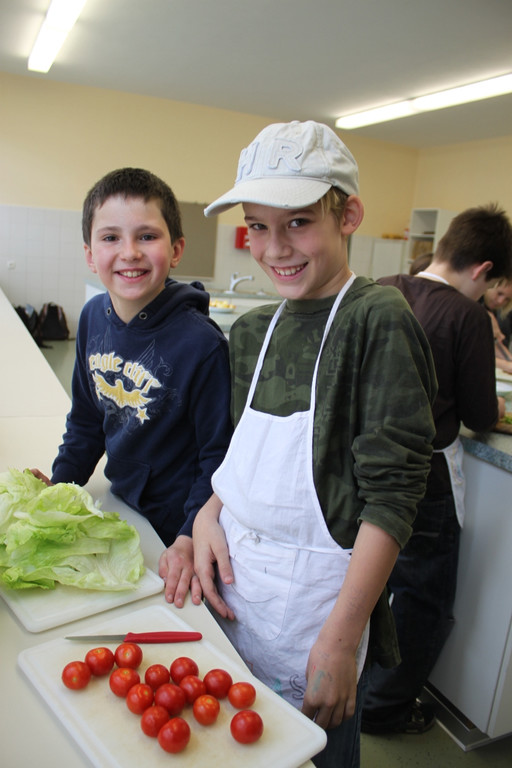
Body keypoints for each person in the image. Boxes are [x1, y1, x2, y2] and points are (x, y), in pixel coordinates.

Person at [191, 120, 437, 768]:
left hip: (315, 620)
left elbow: (393, 495)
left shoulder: (376, 319)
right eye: (257, 226)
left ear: (348, 215)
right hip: (234, 598)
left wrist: (341, 639)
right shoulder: (253, 332)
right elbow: (242, 459)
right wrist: (207, 515)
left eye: (298, 222)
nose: (274, 248)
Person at [32, 168, 232, 605]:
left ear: (176, 249)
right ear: (90, 255)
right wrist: (60, 488)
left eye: (147, 236)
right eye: (111, 238)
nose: (129, 252)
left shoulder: (202, 345)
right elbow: (86, 421)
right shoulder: (92, 318)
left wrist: (189, 535)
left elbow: (218, 457)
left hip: (179, 527)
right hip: (122, 503)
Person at [362, 203, 512, 735]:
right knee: (423, 596)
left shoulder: (383, 288)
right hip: (425, 475)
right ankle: (385, 708)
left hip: (368, 462)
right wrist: (496, 406)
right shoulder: (466, 316)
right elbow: (479, 413)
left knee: (372, 580)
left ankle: (363, 686)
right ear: (483, 270)